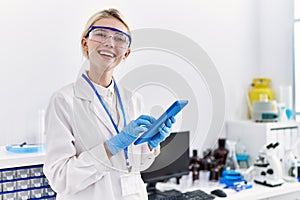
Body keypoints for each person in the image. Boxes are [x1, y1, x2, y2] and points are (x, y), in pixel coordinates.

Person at [43, 8, 175, 200]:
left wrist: (150, 145)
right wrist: (111, 147)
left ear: (126, 53)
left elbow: (134, 164)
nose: (109, 43)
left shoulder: (133, 100)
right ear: (84, 42)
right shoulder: (64, 101)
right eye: (101, 34)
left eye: (119, 38)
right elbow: (60, 179)